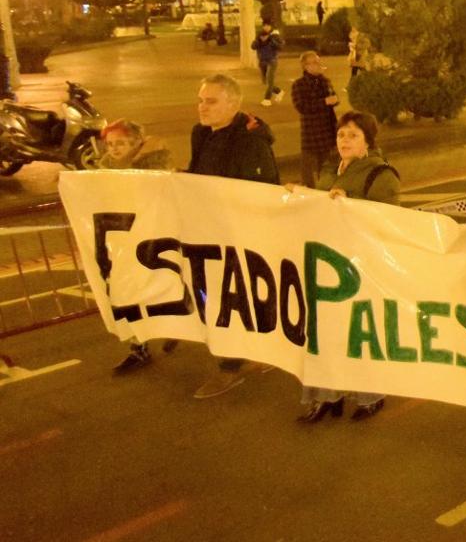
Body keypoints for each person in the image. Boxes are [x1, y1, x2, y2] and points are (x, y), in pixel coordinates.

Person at [295, 111, 399, 422]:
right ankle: (328, 396)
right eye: (341, 134)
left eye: (353, 135)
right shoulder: (331, 169)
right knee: (324, 334)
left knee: (359, 334)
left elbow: (387, 224)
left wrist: (350, 204)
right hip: (326, 262)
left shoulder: (381, 174)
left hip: (361, 268)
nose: (345, 140)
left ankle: (371, 397)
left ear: (368, 140)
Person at [189, 74, 280, 399]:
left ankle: (230, 366)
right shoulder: (200, 134)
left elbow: (262, 192)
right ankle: (249, 353)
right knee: (211, 298)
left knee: (233, 300)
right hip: (206, 233)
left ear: (234, 103)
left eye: (211, 101)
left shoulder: (251, 140)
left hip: (239, 237)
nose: (203, 107)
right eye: (201, 100)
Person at [97, 119, 176, 374]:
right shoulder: (105, 168)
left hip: (156, 241)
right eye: (110, 144)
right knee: (124, 295)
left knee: (169, 289)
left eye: (121, 143)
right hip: (123, 243)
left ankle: (177, 327)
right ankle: (138, 348)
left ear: (135, 143)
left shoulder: (154, 163)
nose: (114, 149)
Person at [291, 51, 340, 188]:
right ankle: (308, 191)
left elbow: (333, 97)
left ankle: (325, 189)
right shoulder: (299, 85)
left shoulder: (325, 81)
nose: (318, 65)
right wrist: (324, 102)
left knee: (326, 166)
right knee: (307, 166)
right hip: (311, 130)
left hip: (327, 127)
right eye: (314, 62)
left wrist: (335, 100)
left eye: (319, 61)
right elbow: (301, 106)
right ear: (305, 66)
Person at [251, 20, 285, 106]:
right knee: (265, 82)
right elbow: (253, 46)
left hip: (272, 61)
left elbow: (280, 47)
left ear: (271, 27)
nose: (266, 27)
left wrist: (273, 42)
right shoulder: (259, 36)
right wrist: (257, 41)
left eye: (268, 25)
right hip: (262, 62)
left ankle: (267, 99)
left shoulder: (275, 36)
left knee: (270, 81)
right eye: (264, 25)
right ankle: (279, 91)